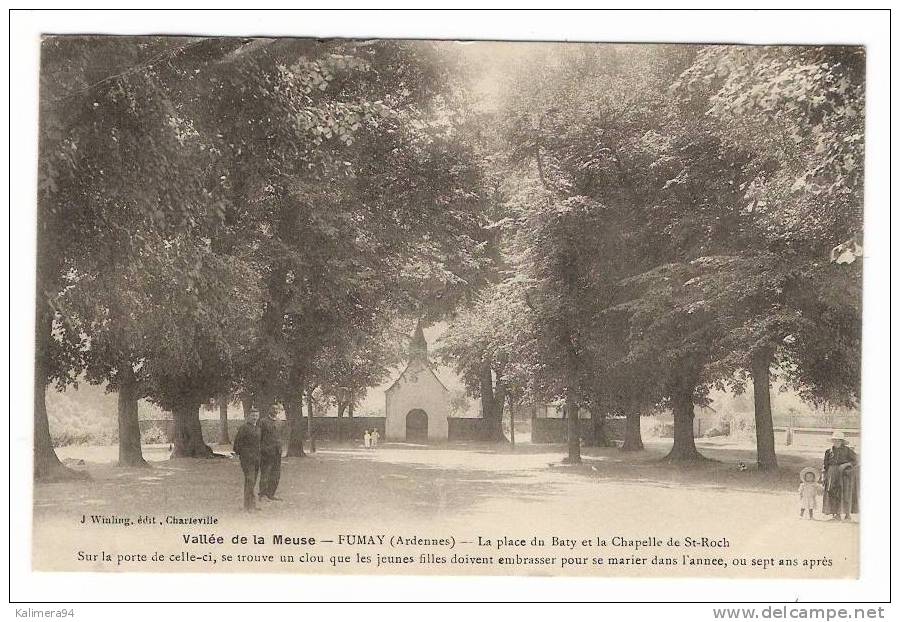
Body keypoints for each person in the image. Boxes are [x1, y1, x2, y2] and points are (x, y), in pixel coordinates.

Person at [822, 431, 858, 521]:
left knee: (845, 493)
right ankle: (836, 514)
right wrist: (824, 475)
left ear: (842, 441)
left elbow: (856, 461)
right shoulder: (828, 451)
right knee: (833, 492)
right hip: (832, 473)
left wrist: (846, 464)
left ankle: (847, 514)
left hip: (845, 473)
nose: (836, 442)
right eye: (834, 440)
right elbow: (825, 465)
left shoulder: (848, 450)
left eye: (838, 440)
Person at [232, 410, 261, 512]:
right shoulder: (244, 428)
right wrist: (245, 454)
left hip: (257, 459)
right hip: (247, 460)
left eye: (256, 415)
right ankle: (248, 506)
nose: (255, 417)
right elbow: (236, 445)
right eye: (253, 415)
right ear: (249, 416)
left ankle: (251, 505)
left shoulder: (258, 428)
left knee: (252, 482)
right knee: (250, 480)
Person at [258, 409, 283, 501]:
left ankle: (271, 493)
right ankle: (262, 495)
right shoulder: (263, 422)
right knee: (266, 473)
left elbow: (280, 435)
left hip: (277, 452)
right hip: (266, 452)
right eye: (273, 409)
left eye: (277, 409)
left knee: (276, 474)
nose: (275, 411)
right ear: (269, 410)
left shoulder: (279, 422)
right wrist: (262, 449)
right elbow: (259, 436)